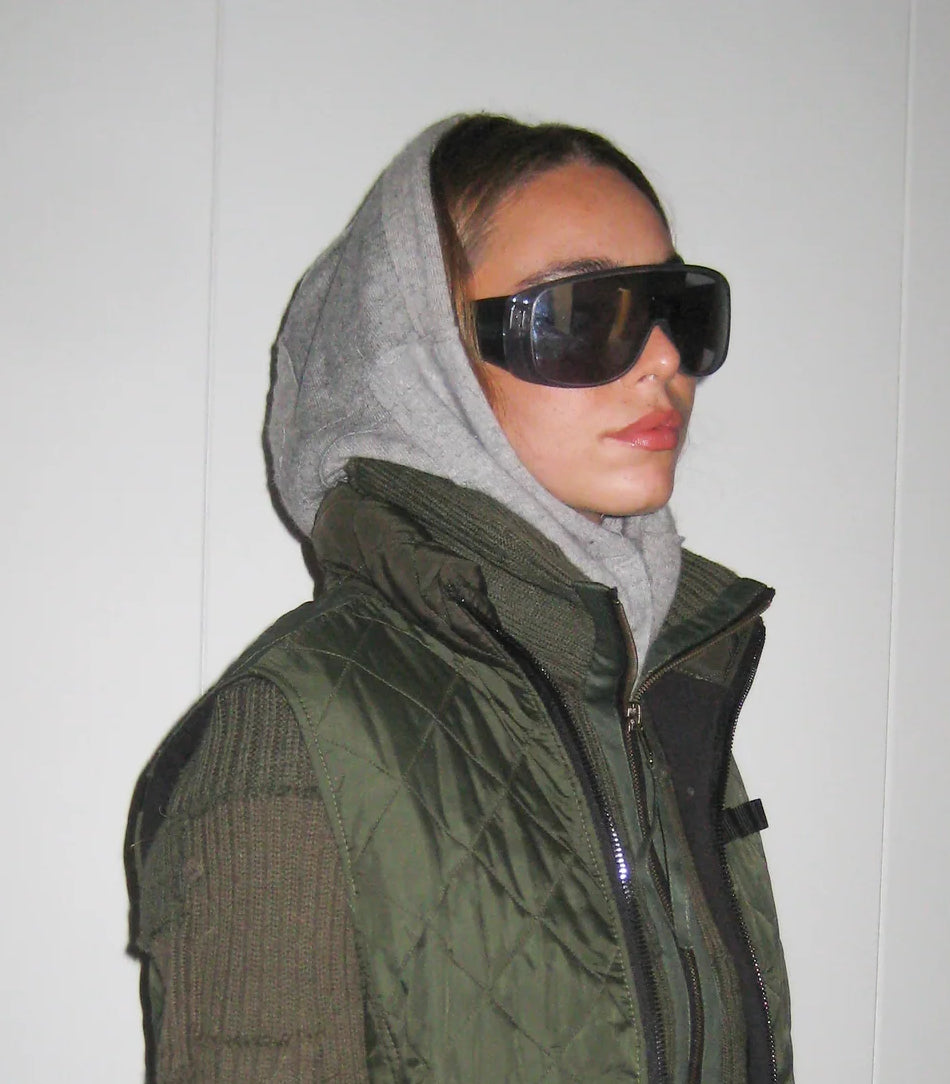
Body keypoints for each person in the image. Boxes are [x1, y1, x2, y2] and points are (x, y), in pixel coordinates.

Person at [126, 113, 793, 1083]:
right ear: (420, 360)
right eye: (580, 315)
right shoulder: (294, 731)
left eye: (677, 311)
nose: (661, 360)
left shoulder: (666, 686)